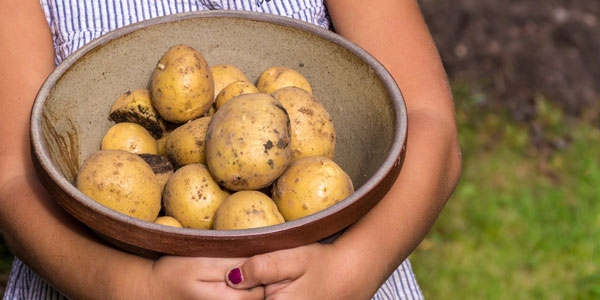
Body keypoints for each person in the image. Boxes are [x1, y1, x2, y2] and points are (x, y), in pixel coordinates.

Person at [0, 0, 461, 299]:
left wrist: (352, 269)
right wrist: (133, 288)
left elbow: (428, 122)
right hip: (91, 277)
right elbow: (12, 178)